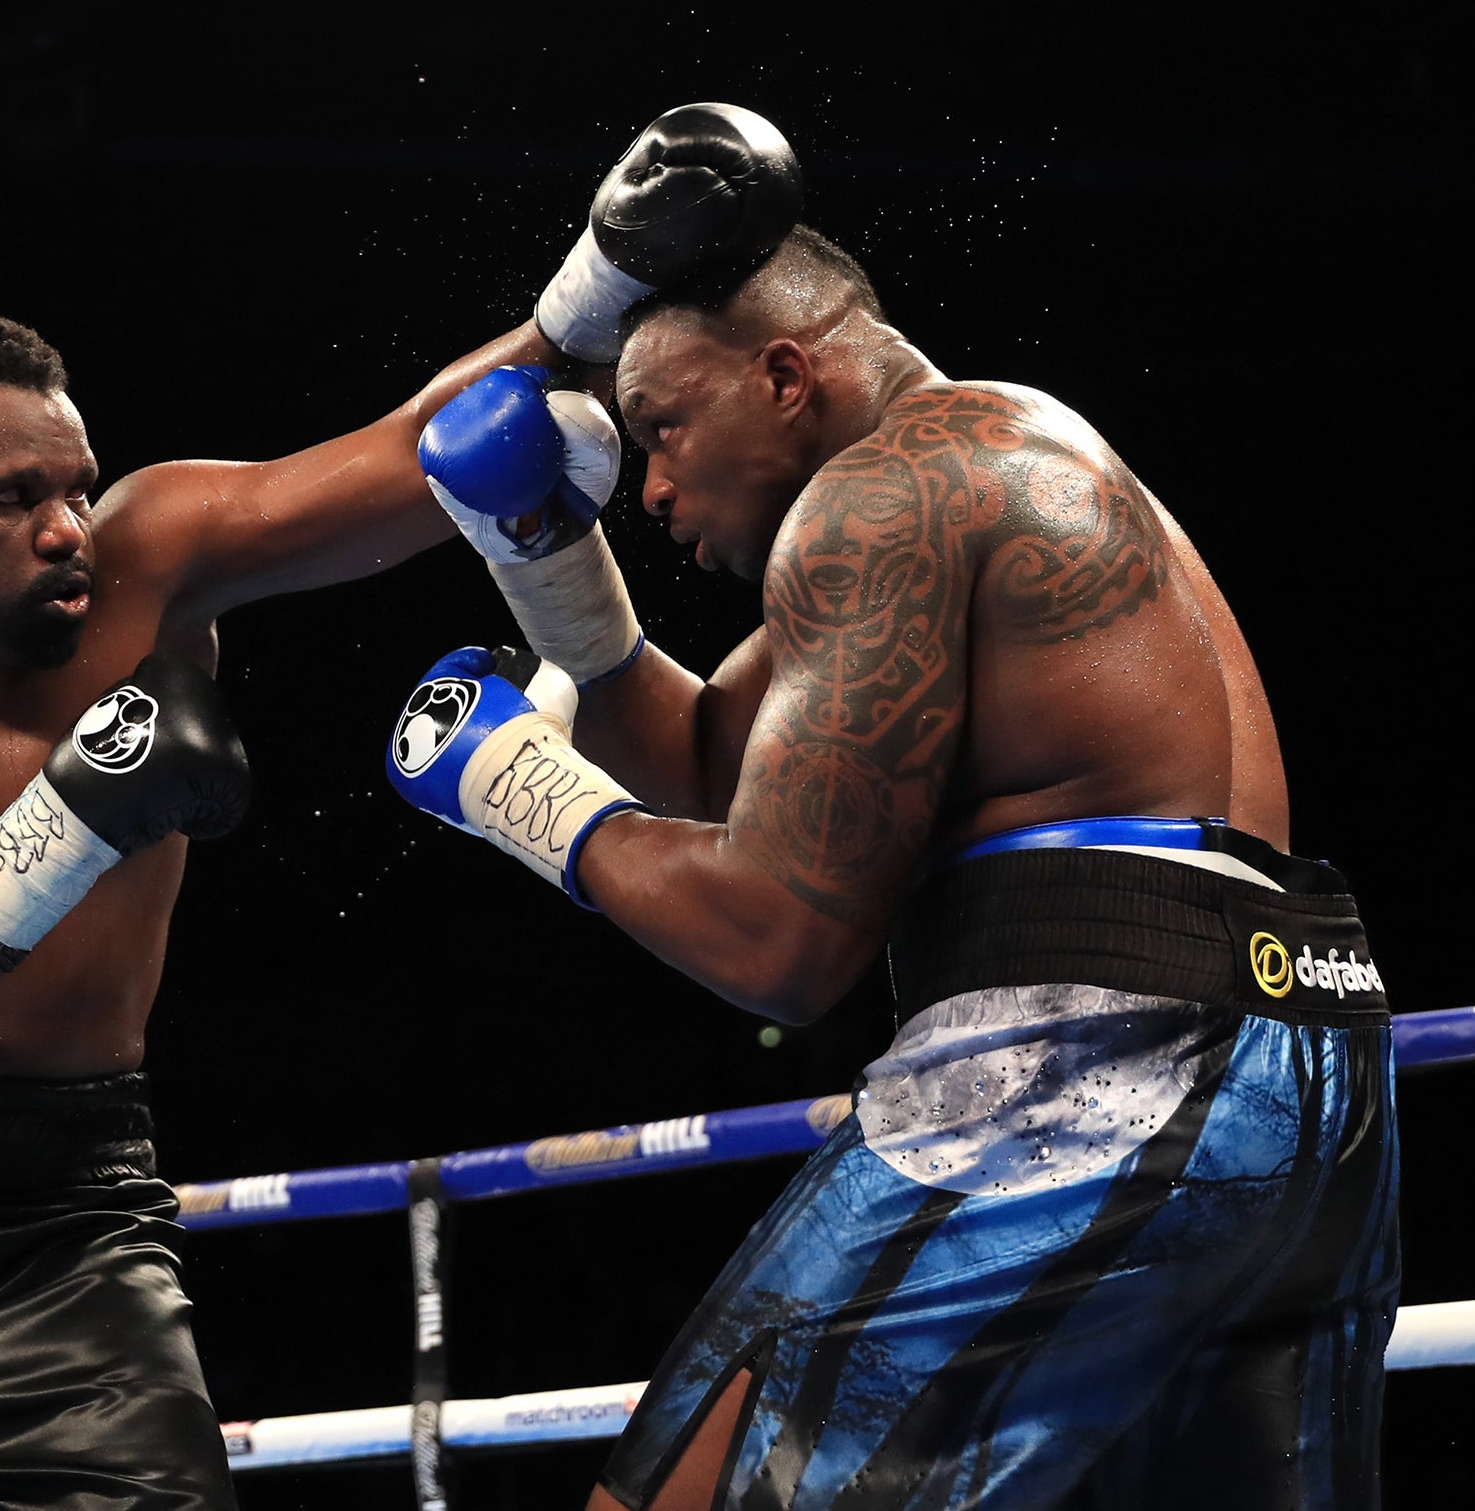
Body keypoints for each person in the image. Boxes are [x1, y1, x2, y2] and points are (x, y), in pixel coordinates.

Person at [0, 102, 802, 1506]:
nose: (69, 526)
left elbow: (423, 453)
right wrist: (70, 823)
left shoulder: (150, 565)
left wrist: (597, 284)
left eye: (73, 485)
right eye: (12, 500)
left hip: (61, 1224)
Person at [390, 121, 1400, 1506]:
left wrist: (521, 789)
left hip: (1097, 1061)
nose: (659, 485)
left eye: (666, 428)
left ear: (788, 373)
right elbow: (700, 757)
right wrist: (545, 552)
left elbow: (775, 944)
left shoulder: (879, 503)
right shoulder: (988, 461)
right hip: (1311, 1069)